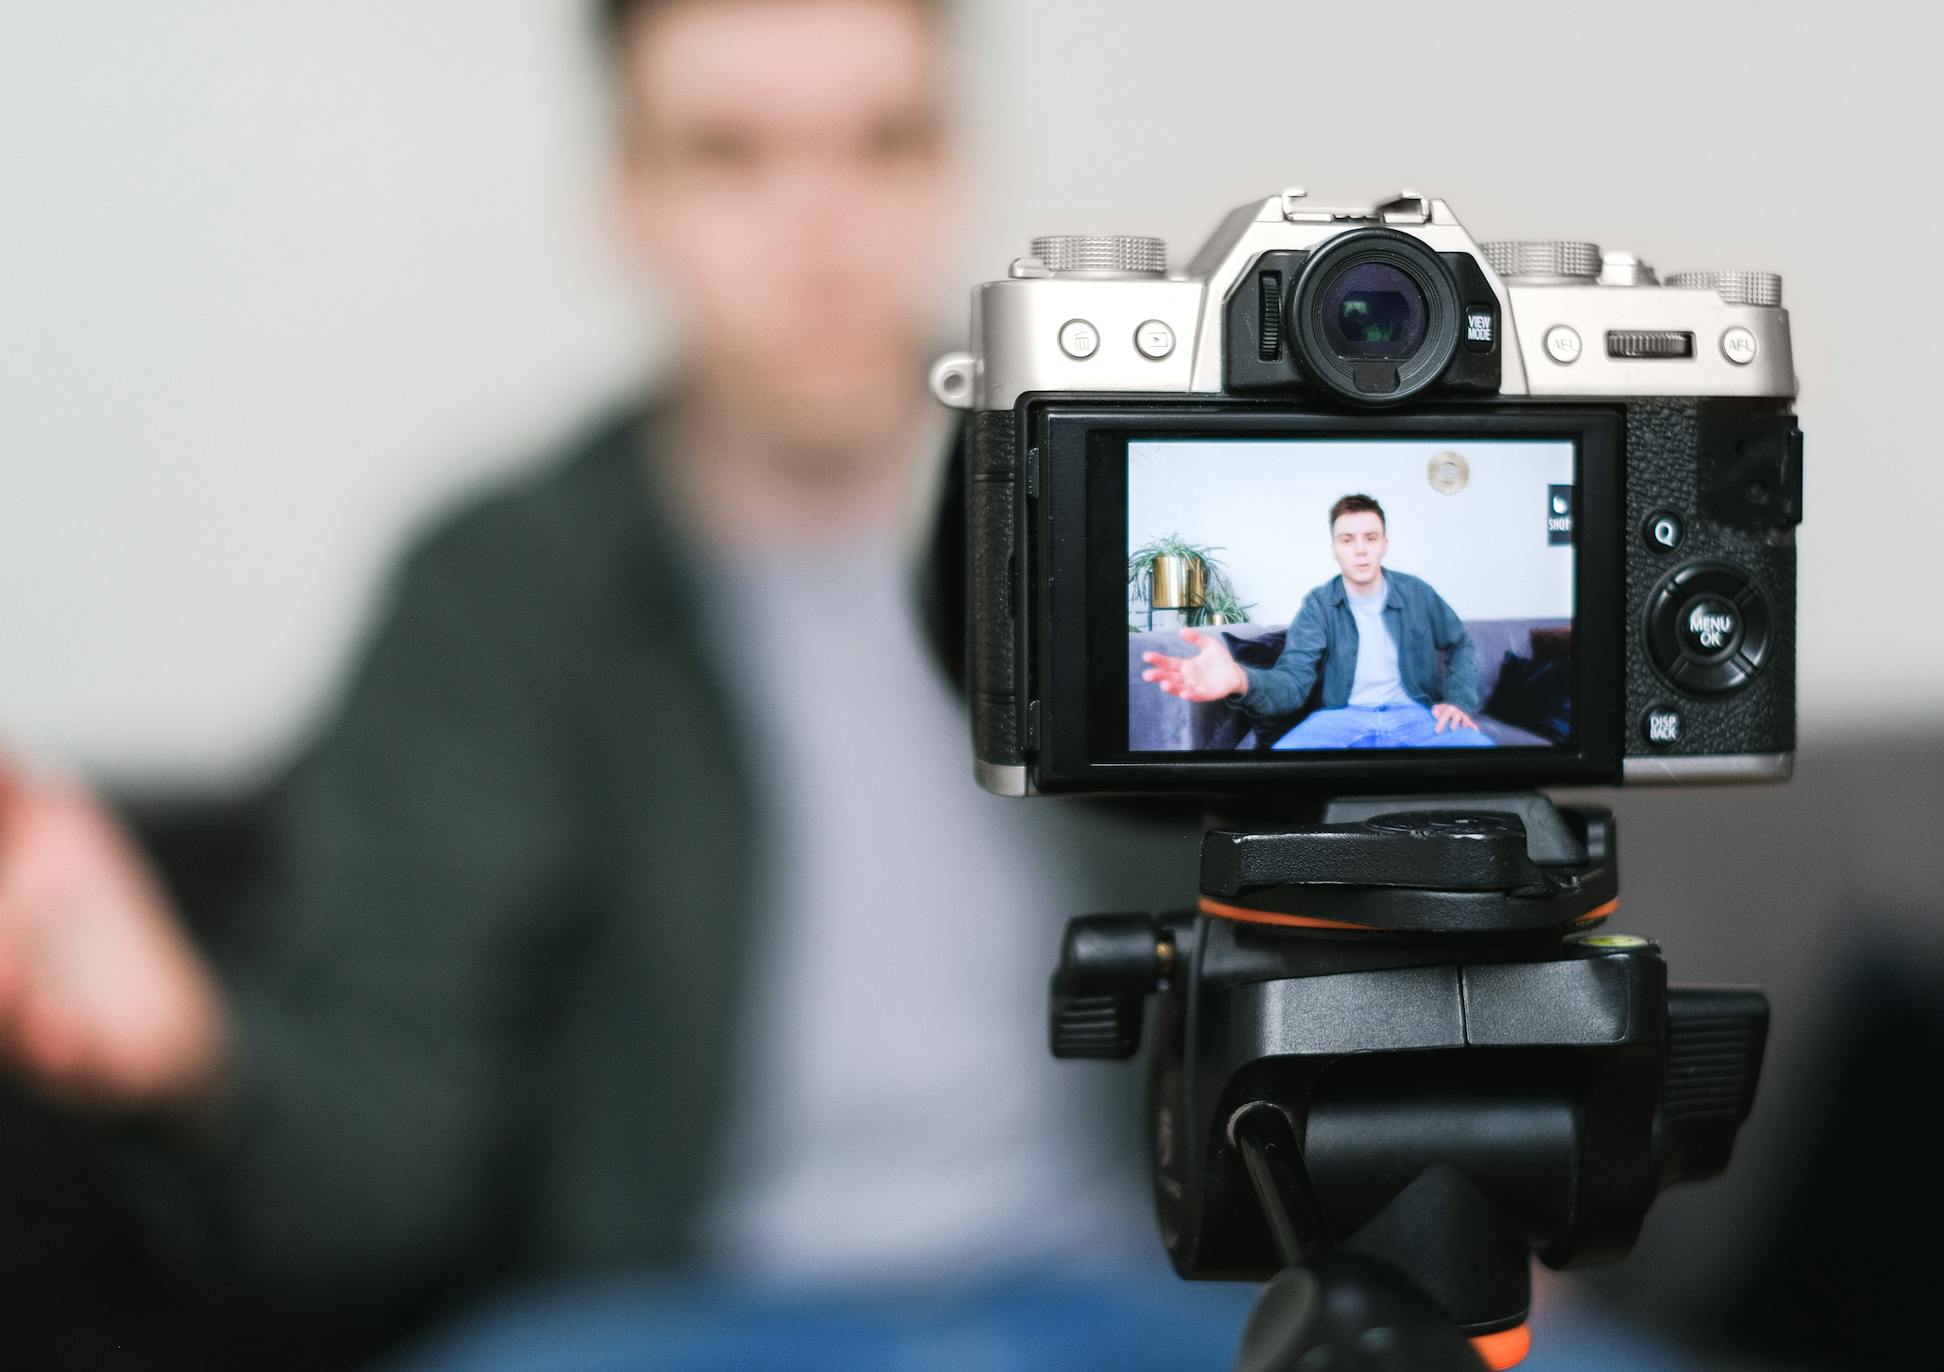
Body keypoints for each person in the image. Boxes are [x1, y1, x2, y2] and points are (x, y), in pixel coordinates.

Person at [0, 0, 1205, 1361]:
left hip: (1130, 1301)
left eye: (883, 140)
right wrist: (185, 1047)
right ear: (627, 196)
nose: (821, 225)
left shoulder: (1143, 531)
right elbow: (379, 1172)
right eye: (731, 153)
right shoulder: (498, 597)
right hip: (673, 1327)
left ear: (959, 165)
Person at [1142, 494, 1495, 749]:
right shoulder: (1318, 605)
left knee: (1482, 759)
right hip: (1341, 718)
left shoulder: (1417, 592)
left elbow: (1460, 643)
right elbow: (1292, 684)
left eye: (1370, 538)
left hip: (1415, 715)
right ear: (1334, 548)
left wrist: (1458, 701)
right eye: (1347, 539)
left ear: (1384, 544)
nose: (1360, 549)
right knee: (1277, 772)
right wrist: (1240, 678)